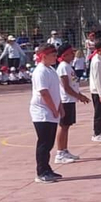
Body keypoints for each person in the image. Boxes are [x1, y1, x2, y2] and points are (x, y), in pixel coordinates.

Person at [28, 45, 64, 183]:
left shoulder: (51, 70)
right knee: (43, 142)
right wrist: (54, 109)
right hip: (42, 112)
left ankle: (47, 168)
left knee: (49, 143)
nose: (56, 57)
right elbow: (44, 92)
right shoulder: (40, 71)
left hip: (51, 111)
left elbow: (55, 91)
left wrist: (59, 106)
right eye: (53, 55)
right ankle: (41, 172)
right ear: (44, 56)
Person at [53, 45, 88, 166]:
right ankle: (59, 153)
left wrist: (79, 95)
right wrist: (79, 96)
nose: (73, 55)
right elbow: (66, 87)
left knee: (67, 126)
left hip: (71, 99)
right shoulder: (63, 67)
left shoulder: (68, 66)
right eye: (70, 53)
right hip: (65, 100)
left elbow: (72, 85)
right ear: (64, 55)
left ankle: (65, 150)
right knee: (63, 126)